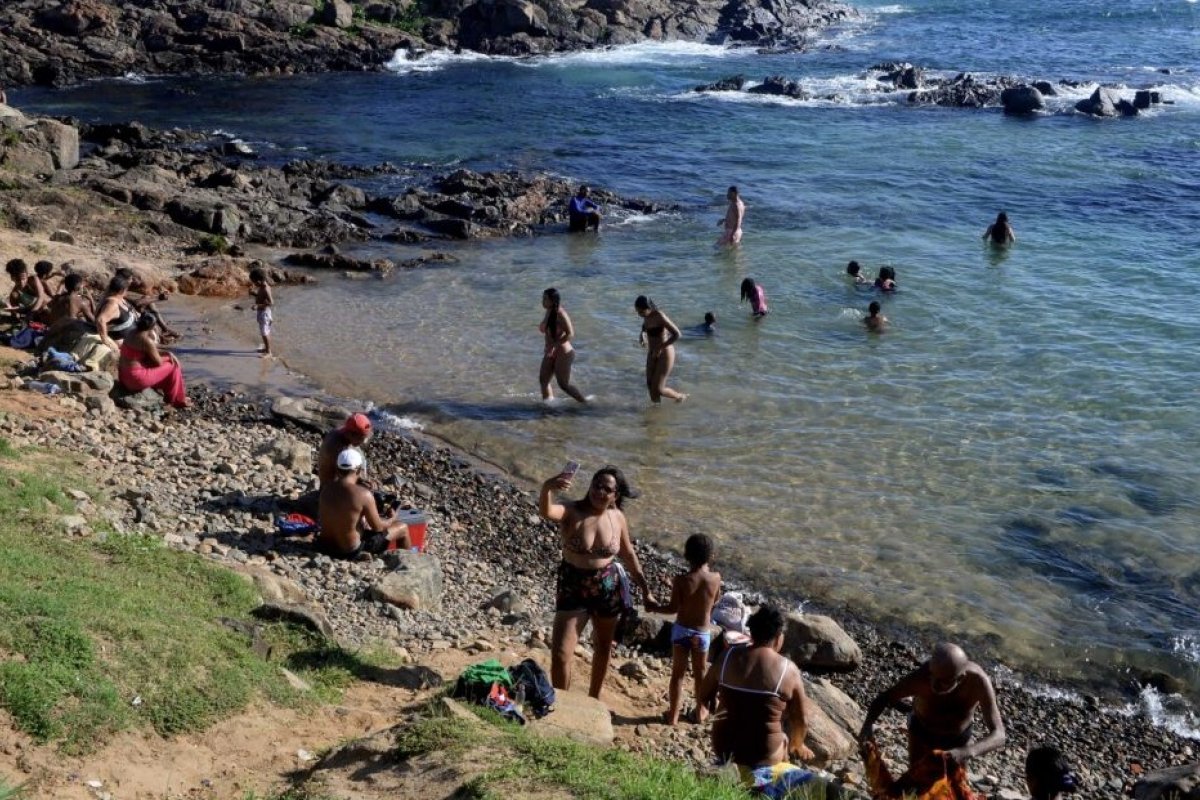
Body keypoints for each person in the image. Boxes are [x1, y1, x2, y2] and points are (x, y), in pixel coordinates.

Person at [538, 465, 656, 698]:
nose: (599, 491)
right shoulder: (572, 511)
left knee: (602, 647)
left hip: (607, 587)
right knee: (561, 653)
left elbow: (629, 554)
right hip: (573, 584)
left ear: (616, 495)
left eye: (606, 489)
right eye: (596, 485)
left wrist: (645, 589)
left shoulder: (618, 517)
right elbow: (547, 512)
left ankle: (594, 698)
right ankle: (563, 703)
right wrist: (547, 488)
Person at [697, 605, 815, 797]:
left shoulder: (727, 657)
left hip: (724, 749)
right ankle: (771, 787)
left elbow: (704, 695)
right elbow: (801, 719)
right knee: (785, 740)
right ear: (779, 637)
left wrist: (718, 707)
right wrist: (798, 744)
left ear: (752, 632)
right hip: (764, 758)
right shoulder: (788, 669)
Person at [858, 642, 1006, 776]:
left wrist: (966, 752)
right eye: (932, 676)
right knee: (916, 781)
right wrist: (867, 727)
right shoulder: (921, 677)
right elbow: (884, 697)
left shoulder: (978, 682)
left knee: (955, 789)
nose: (934, 685)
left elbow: (999, 735)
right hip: (921, 732)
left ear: (960, 679)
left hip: (958, 739)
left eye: (942, 682)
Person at [646, 533, 721, 725]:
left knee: (677, 675)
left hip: (681, 631)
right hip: (701, 633)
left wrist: (654, 607)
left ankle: (673, 715)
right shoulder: (715, 579)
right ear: (711, 556)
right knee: (699, 675)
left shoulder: (681, 580)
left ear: (686, 555)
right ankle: (700, 711)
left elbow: (673, 609)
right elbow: (715, 601)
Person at [316, 447, 409, 559]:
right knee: (402, 527)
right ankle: (404, 562)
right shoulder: (363, 494)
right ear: (359, 470)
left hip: (324, 547)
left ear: (337, 468)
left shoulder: (326, 489)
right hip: (348, 551)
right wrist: (392, 518)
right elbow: (378, 527)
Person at [117, 312, 189, 408]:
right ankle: (177, 400)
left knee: (165, 361)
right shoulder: (146, 341)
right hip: (135, 380)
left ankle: (173, 395)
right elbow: (158, 362)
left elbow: (148, 351)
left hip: (123, 376)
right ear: (152, 327)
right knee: (173, 365)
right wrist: (168, 357)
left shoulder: (131, 333)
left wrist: (167, 353)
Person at [538, 287, 587, 403]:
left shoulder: (561, 313)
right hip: (550, 351)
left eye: (545, 299)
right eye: (542, 298)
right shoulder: (549, 311)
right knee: (543, 380)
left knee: (563, 385)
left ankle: (585, 404)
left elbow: (571, 334)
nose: (542, 301)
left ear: (552, 300)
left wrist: (555, 346)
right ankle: (549, 406)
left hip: (563, 352)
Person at [635, 295, 686, 403]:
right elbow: (645, 326)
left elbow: (677, 334)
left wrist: (660, 348)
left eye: (641, 312)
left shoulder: (660, 316)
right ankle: (656, 412)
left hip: (665, 352)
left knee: (658, 389)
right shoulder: (646, 316)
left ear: (649, 308)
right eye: (638, 312)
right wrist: (642, 335)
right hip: (652, 352)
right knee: (650, 384)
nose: (639, 315)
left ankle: (679, 397)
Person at [317, 413, 374, 486]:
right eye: (361, 439)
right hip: (330, 486)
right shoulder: (336, 447)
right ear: (351, 435)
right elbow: (345, 476)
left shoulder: (344, 432)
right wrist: (361, 481)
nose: (364, 442)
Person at [94, 274, 138, 353]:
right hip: (123, 342)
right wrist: (106, 340)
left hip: (132, 338)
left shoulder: (118, 299)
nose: (127, 291)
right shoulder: (112, 304)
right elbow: (100, 320)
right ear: (121, 291)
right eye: (126, 289)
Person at [249, 267, 274, 357]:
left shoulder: (266, 289)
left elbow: (271, 302)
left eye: (254, 282)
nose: (254, 284)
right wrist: (253, 294)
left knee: (264, 333)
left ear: (258, 281)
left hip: (265, 313)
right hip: (263, 312)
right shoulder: (262, 287)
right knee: (265, 332)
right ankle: (267, 348)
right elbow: (261, 298)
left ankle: (268, 352)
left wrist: (257, 306)